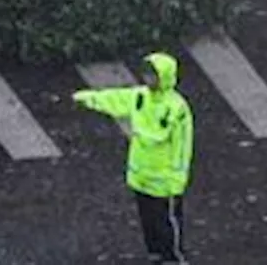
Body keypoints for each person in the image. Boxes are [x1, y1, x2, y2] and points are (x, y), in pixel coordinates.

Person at [73, 52, 194, 264]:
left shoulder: (177, 108)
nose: (148, 80)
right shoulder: (140, 97)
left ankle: (174, 260)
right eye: (147, 75)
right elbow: (114, 99)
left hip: (165, 182)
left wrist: (177, 178)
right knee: (150, 224)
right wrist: (88, 99)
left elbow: (182, 146)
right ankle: (157, 257)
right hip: (142, 178)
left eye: (153, 75)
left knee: (167, 226)